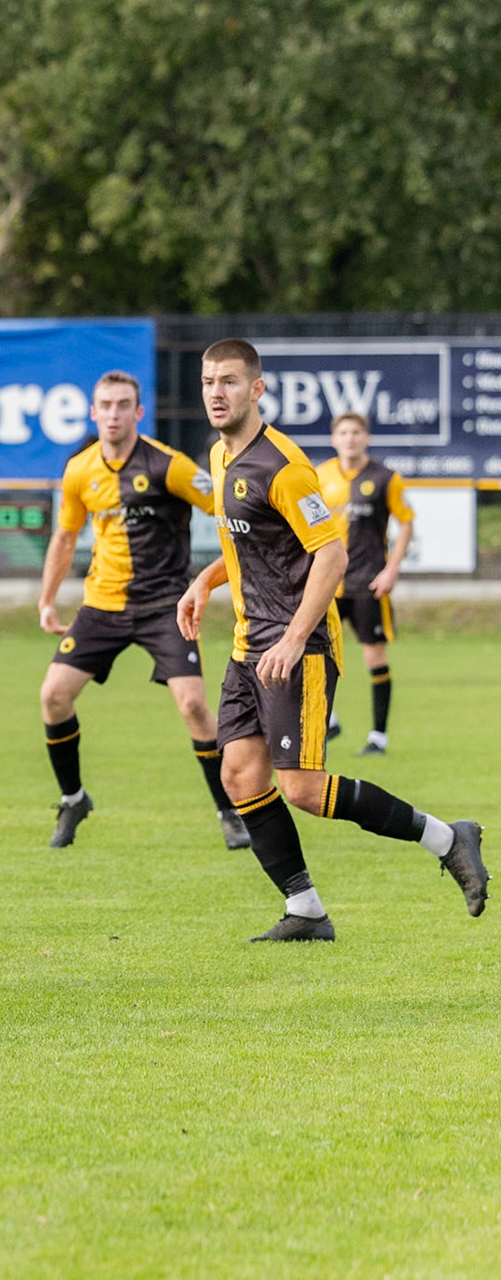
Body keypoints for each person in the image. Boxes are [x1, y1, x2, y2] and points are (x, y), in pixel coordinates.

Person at [176, 339, 485, 941]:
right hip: (248, 645)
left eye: (230, 381)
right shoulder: (219, 457)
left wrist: (293, 638)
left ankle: (448, 838)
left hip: (299, 648)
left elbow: (332, 553)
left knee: (303, 789)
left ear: (257, 389)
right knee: (239, 774)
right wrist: (204, 581)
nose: (216, 392)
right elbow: (252, 545)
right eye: (209, 381)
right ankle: (307, 911)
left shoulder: (283, 467)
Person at [36, 370, 247, 850]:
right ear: (93, 412)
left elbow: (232, 512)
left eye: (122, 405)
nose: (113, 414)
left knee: (194, 706)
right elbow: (66, 537)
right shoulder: (79, 470)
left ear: (138, 412)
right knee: (53, 697)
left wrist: (216, 576)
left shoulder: (167, 465)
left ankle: (228, 810)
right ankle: (73, 799)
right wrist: (47, 600)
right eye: (105, 405)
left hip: (164, 606)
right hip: (102, 606)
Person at [315, 412, 413, 756]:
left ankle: (378, 737)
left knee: (374, 656)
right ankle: (330, 722)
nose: (350, 438)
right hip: (328, 584)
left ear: (366, 437)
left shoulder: (385, 478)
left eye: (356, 432)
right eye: (343, 432)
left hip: (369, 582)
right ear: (334, 439)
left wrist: (391, 569)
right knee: (312, 654)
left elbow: (406, 523)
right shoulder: (320, 476)